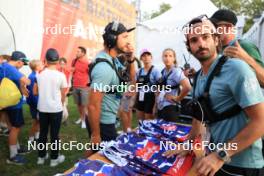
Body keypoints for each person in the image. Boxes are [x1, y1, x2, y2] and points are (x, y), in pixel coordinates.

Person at [164, 16, 264, 176]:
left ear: (216, 40)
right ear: (189, 47)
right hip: (215, 159)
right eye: (194, 40)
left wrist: (221, 155)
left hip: (243, 165)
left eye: (206, 37)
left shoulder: (237, 69)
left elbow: (261, 121)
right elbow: (200, 118)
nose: (201, 44)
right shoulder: (198, 78)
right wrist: (188, 144)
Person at [87, 21, 136, 156]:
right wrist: (96, 135)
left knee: (95, 155)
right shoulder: (104, 68)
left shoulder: (113, 60)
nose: (128, 41)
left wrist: (131, 60)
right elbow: (92, 106)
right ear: (112, 39)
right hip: (103, 123)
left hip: (108, 119)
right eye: (124, 37)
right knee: (105, 159)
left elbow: (130, 78)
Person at [210, 9, 264, 87]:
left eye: (215, 26)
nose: (212, 30)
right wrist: (198, 75)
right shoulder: (218, 49)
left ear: (228, 28)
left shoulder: (244, 46)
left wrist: (246, 59)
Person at [35, 48, 67, 167]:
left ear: (45, 60)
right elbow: (63, 94)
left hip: (42, 108)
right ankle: (54, 159)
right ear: (58, 61)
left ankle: (41, 157)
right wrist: (62, 104)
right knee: (55, 134)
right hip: (55, 109)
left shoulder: (39, 74)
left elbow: (36, 91)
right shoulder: (61, 75)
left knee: (43, 133)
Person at [0, 51, 30, 165]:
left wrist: (21, 87)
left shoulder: (3, 66)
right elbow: (26, 80)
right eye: (23, 63)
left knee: (11, 125)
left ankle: (16, 148)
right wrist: (26, 80)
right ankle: (13, 156)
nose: (23, 66)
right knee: (16, 127)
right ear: (19, 61)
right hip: (14, 104)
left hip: (5, 102)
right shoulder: (11, 68)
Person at [157, 48, 192, 122]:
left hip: (171, 108)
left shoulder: (176, 71)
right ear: (162, 58)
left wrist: (177, 98)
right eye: (165, 56)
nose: (167, 58)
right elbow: (159, 89)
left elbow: (187, 87)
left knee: (169, 132)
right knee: (160, 132)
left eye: (170, 56)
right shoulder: (163, 71)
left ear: (174, 58)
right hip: (161, 106)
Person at [134, 49, 161, 120]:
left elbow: (159, 88)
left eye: (148, 55)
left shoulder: (155, 71)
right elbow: (136, 86)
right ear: (141, 59)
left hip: (150, 98)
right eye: (143, 56)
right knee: (140, 121)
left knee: (148, 122)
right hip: (140, 98)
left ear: (151, 57)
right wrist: (134, 100)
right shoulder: (139, 71)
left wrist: (155, 104)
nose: (146, 57)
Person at [71, 46, 91, 128]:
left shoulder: (87, 63)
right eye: (76, 51)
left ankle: (84, 121)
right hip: (75, 85)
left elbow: (91, 74)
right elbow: (73, 71)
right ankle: (82, 118)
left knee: (84, 105)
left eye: (78, 51)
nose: (76, 53)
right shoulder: (74, 61)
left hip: (84, 86)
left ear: (83, 53)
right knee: (78, 105)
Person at [27, 60, 43, 143]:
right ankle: (30, 139)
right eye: (41, 64)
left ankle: (36, 137)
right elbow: (33, 94)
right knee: (35, 121)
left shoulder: (37, 75)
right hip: (35, 103)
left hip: (37, 102)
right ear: (37, 67)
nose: (43, 65)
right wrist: (38, 105)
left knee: (39, 121)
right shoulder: (33, 77)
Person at [58, 57, 71, 124]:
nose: (62, 65)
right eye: (61, 64)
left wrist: (67, 91)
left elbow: (69, 83)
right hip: (58, 91)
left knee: (65, 104)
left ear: (65, 64)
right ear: (59, 64)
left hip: (65, 91)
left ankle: (66, 119)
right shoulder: (56, 71)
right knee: (58, 105)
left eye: (63, 64)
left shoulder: (68, 72)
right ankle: (58, 118)